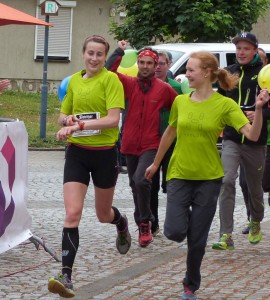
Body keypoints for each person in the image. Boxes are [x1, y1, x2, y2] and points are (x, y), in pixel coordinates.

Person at [145, 50, 269, 300]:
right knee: (175, 231)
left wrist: (259, 109)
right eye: (187, 69)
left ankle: (190, 285)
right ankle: (193, 227)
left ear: (207, 73)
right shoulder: (181, 101)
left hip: (209, 178)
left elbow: (252, 135)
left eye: (191, 70)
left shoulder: (224, 104)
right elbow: (170, 133)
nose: (186, 74)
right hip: (179, 173)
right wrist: (156, 163)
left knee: (198, 242)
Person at [47, 35, 131, 298]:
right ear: (83, 53)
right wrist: (66, 122)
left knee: (102, 214)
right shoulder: (73, 81)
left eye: (99, 54)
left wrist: (79, 124)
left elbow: (112, 119)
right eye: (90, 53)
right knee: (72, 213)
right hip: (77, 153)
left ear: (105, 57)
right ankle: (66, 275)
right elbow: (63, 115)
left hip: (105, 154)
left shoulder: (111, 80)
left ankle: (121, 222)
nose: (94, 58)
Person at [105, 40, 178, 247]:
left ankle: (144, 222)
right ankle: (144, 221)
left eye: (149, 63)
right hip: (129, 143)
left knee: (141, 180)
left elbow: (180, 106)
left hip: (151, 144)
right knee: (135, 185)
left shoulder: (163, 89)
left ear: (156, 67)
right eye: (142, 62)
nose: (145, 66)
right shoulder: (129, 84)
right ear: (138, 63)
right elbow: (109, 71)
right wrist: (119, 50)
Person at [212, 32, 270, 250]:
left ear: (255, 50)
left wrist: (261, 113)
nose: (241, 52)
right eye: (238, 48)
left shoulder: (264, 73)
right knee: (226, 181)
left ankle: (256, 219)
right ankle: (225, 235)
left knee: (254, 187)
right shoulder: (230, 72)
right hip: (232, 137)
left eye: (246, 48)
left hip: (256, 140)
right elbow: (219, 101)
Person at [150, 51, 182, 236]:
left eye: (163, 63)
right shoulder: (147, 85)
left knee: (170, 183)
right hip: (152, 140)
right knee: (150, 184)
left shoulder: (176, 87)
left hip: (172, 139)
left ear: (168, 65)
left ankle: (173, 221)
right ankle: (153, 222)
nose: (159, 66)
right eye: (157, 63)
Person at [240, 47, 269, 234]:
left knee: (264, 184)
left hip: (264, 141)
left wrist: (260, 113)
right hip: (252, 139)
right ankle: (252, 217)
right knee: (245, 182)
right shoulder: (251, 83)